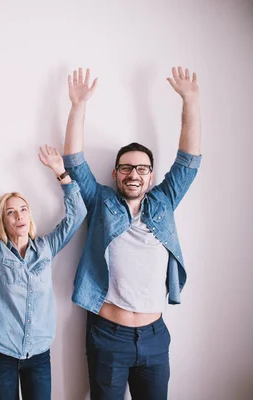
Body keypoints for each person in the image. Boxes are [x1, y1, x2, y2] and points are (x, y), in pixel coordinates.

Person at [62, 66, 202, 400]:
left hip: (155, 336)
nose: (133, 174)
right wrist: (78, 105)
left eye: (141, 168)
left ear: (151, 176)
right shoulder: (100, 201)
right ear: (116, 173)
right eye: (126, 167)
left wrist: (191, 100)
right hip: (109, 334)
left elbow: (189, 161)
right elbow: (73, 161)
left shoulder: (164, 201)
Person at [0, 144, 87, 400]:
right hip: (2, 355)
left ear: (29, 216)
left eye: (22, 209)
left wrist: (61, 173)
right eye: (10, 212)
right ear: (4, 222)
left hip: (39, 355)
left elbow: (78, 214)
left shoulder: (46, 247)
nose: (18, 215)